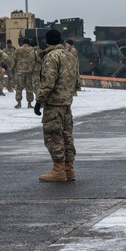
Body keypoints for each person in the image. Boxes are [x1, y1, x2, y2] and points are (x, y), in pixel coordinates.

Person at [35, 29, 78, 183]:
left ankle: (58, 170)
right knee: (67, 134)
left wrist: (39, 100)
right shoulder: (70, 55)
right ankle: (69, 168)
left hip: (53, 103)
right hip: (66, 102)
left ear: (47, 41)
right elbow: (77, 80)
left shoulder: (51, 56)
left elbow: (48, 82)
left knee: (54, 135)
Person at [12, 37, 38, 109]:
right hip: (29, 71)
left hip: (20, 71)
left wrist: (13, 68)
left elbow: (14, 60)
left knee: (19, 87)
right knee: (29, 87)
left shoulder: (18, 49)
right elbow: (34, 60)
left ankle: (18, 103)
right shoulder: (32, 49)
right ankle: (29, 103)